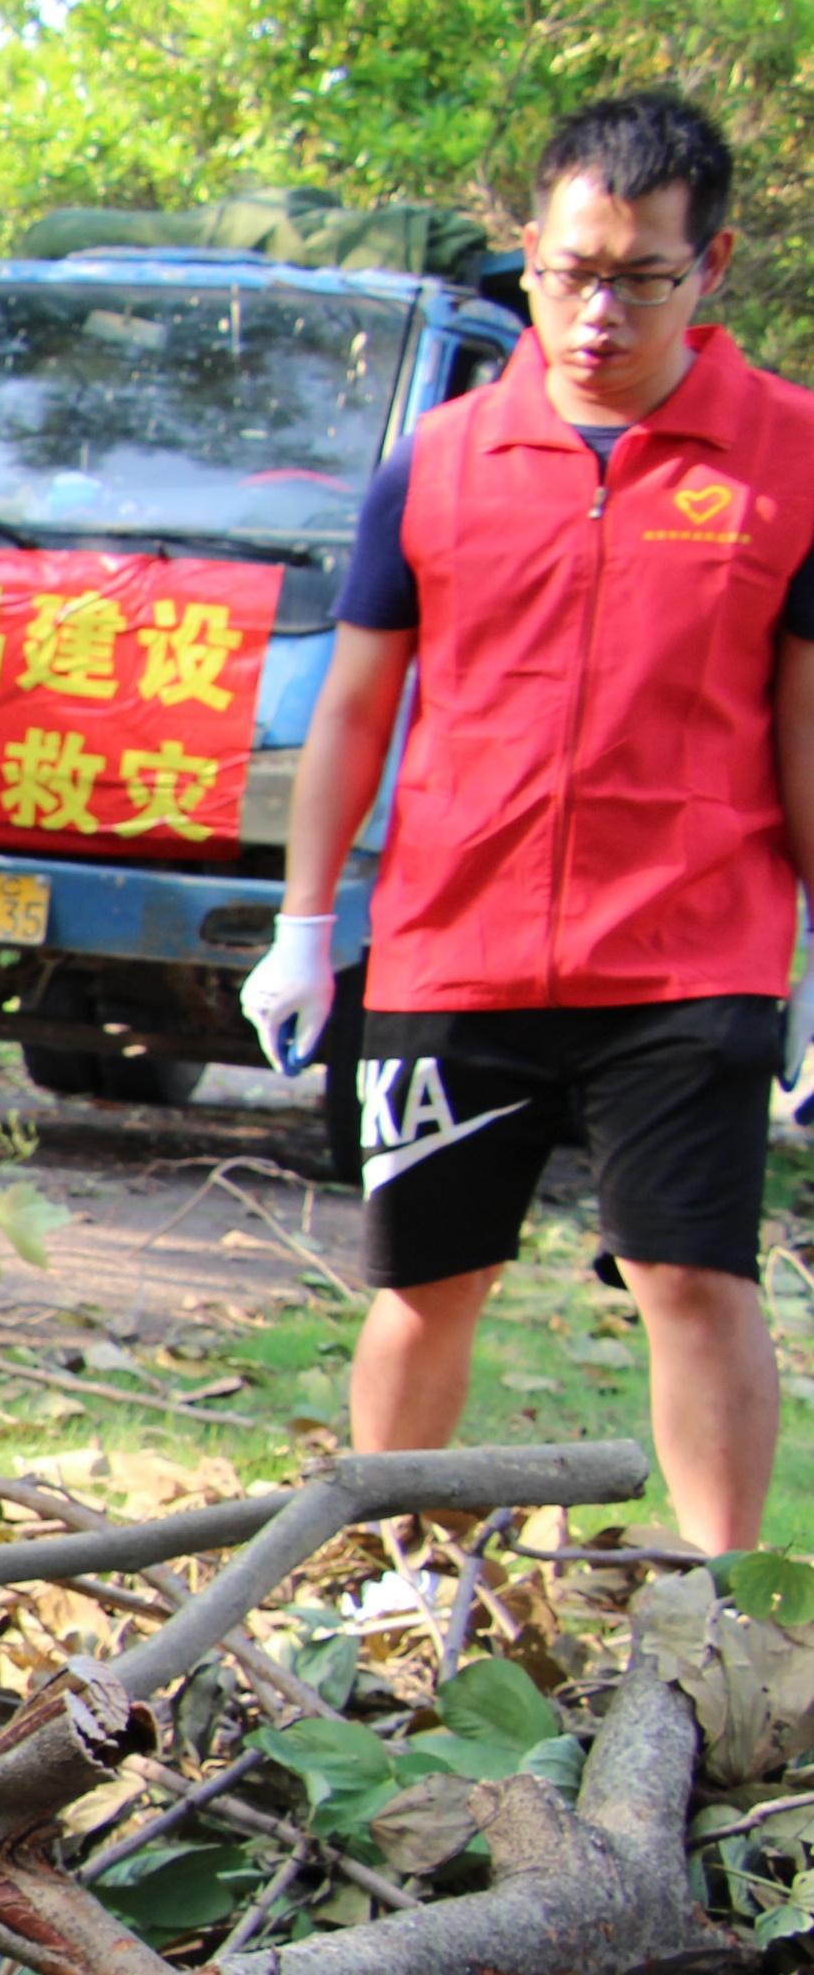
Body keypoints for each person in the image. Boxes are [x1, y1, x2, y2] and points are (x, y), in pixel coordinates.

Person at [241, 91, 812, 1553]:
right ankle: (382, 1566)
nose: (597, 313)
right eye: (568, 273)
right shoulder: (435, 463)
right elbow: (356, 712)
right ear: (529, 256)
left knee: (690, 1276)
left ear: (715, 265)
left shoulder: (791, 462)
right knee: (425, 1278)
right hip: (455, 942)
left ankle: (719, 1593)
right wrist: (308, 921)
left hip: (692, 946)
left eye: (640, 277)